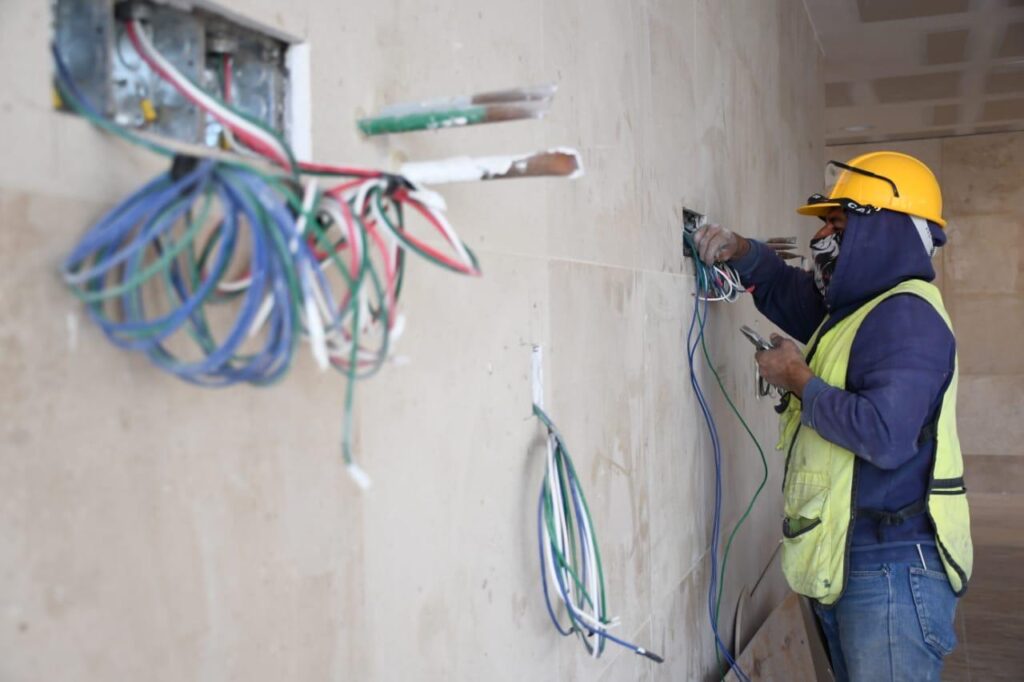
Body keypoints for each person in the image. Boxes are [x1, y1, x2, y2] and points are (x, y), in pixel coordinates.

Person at [694, 152, 973, 682]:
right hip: (858, 560)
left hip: (892, 569)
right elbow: (788, 292)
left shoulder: (906, 316)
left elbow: (887, 436)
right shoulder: (861, 310)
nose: (822, 236)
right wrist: (742, 252)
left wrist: (798, 379)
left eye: (837, 224)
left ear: (883, 232)